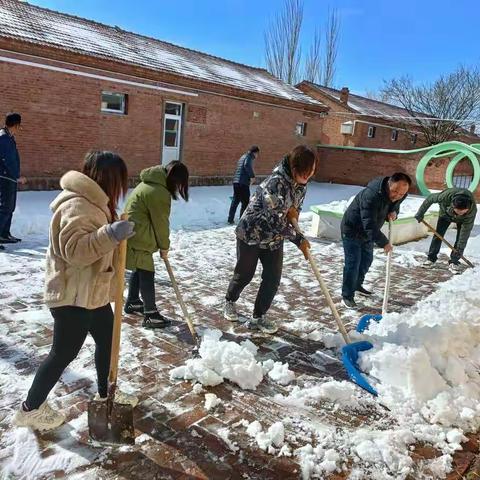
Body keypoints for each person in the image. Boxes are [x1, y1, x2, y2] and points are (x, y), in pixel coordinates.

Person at [13, 151, 137, 431]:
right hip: (72, 297)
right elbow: (76, 252)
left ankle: (106, 393)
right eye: (120, 182)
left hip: (92, 295)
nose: (121, 189)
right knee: (63, 354)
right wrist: (110, 235)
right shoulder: (77, 205)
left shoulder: (95, 204)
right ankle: (29, 409)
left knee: (108, 341)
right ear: (108, 179)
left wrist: (117, 235)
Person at [223, 145, 317, 334]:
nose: (307, 177)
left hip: (274, 238)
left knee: (272, 278)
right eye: (305, 173)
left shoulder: (301, 185)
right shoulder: (276, 183)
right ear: (294, 168)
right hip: (251, 233)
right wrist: (298, 240)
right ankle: (230, 301)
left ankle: (258, 317)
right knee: (245, 274)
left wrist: (294, 214)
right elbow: (275, 221)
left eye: (311, 173)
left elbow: (294, 209)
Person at [124, 160, 189, 329]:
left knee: (139, 269)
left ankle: (132, 301)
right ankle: (151, 314)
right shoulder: (158, 192)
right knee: (147, 273)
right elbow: (161, 223)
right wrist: (164, 247)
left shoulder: (147, 183)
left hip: (133, 234)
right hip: (140, 238)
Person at [340, 172, 411, 309]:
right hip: (352, 229)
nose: (397, 196)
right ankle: (347, 296)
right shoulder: (371, 195)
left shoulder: (400, 194)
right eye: (395, 191)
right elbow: (369, 224)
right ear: (388, 185)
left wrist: (394, 211)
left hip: (368, 233)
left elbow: (394, 204)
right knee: (353, 263)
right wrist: (384, 242)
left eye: (401, 194)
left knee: (366, 260)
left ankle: (356, 285)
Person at [415, 187, 477, 273]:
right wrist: (420, 213)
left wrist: (460, 249)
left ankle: (454, 261)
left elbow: (465, 234)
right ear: (453, 205)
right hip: (445, 214)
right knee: (438, 235)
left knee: (460, 239)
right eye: (457, 211)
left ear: (468, 208)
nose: (459, 214)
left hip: (463, 220)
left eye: (462, 212)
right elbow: (430, 199)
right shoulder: (445, 196)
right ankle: (431, 259)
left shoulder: (471, 213)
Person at [0, 112, 27, 248]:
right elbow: (8, 160)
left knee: (9, 207)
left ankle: (4, 234)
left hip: (9, 177)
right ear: (15, 125)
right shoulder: (4, 138)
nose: (19, 129)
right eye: (19, 126)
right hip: (5, 177)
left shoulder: (8, 137)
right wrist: (17, 176)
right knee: (5, 207)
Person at [227, 145, 259, 224]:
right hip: (243, 183)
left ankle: (230, 219)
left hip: (236, 182)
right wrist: (252, 176)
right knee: (245, 202)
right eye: (257, 154)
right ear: (255, 153)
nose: (257, 156)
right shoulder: (249, 157)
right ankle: (242, 220)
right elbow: (246, 165)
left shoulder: (242, 157)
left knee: (235, 201)